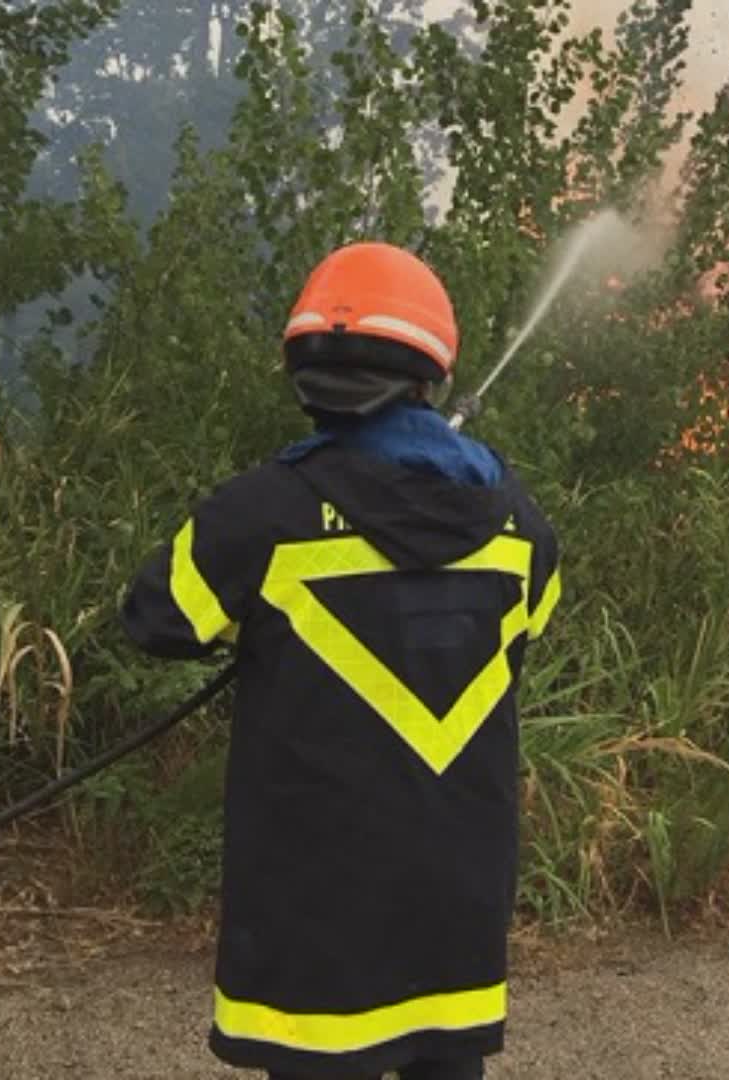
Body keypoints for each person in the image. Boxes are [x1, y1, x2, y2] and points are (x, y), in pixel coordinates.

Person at [122, 242, 561, 1080]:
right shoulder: (521, 528)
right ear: (430, 368)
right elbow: (524, 629)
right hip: (455, 907)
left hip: (318, 907)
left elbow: (156, 619)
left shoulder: (259, 514)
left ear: (306, 371)